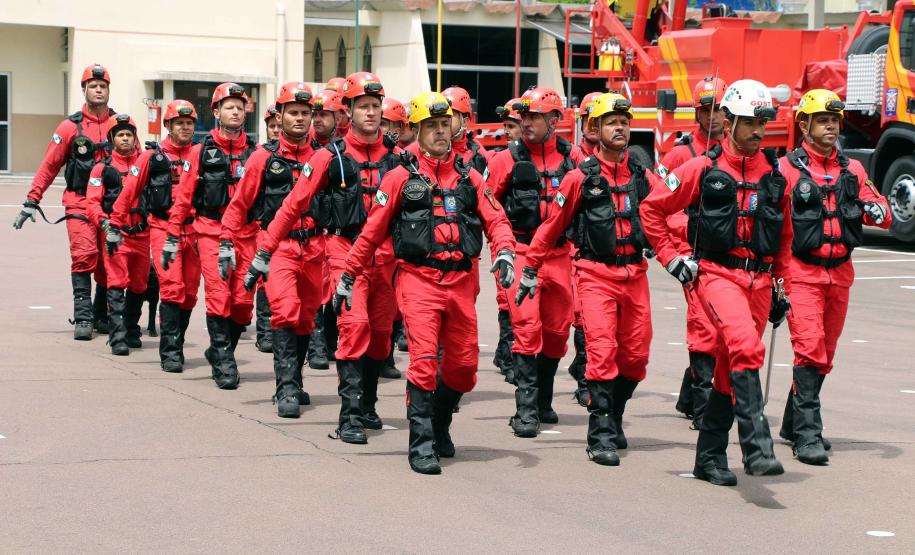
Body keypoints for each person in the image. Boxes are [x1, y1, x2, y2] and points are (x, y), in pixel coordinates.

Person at [336, 91, 516, 474]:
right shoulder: (400, 176)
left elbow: (496, 218)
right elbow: (371, 232)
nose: (439, 132)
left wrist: (504, 251)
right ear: (416, 130)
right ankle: (421, 444)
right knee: (421, 363)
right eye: (430, 126)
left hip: (462, 282)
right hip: (418, 281)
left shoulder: (470, 175)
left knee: (464, 368)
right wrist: (348, 274)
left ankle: (439, 421)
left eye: (443, 125)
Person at [641, 79, 793, 486]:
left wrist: (783, 290)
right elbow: (652, 210)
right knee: (746, 345)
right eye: (750, 121)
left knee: (730, 369)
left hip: (760, 283)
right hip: (716, 275)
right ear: (728, 121)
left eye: (764, 121)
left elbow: (785, 242)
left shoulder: (777, 177)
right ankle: (757, 446)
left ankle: (708, 459)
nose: (758, 130)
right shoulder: (700, 168)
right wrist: (673, 259)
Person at [244, 71, 400, 444]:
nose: (370, 113)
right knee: (354, 328)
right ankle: (348, 416)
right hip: (345, 254)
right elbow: (293, 203)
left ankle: (368, 404)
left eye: (375, 107)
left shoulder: (398, 160)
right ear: (347, 111)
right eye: (362, 106)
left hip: (388, 261)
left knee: (381, 337)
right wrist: (263, 252)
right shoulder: (328, 157)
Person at [519, 93, 656, 466]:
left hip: (636, 275)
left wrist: (685, 253)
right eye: (611, 122)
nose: (620, 128)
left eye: (624, 122)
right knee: (601, 353)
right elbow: (551, 227)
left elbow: (667, 214)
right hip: (594, 275)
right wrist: (529, 268)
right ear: (594, 129)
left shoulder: (643, 177)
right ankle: (600, 434)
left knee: (637, 358)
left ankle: (615, 414)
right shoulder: (579, 179)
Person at [777, 89, 891, 465]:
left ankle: (793, 422)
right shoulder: (787, 169)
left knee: (825, 357)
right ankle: (808, 435)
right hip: (801, 273)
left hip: (840, 274)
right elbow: (770, 221)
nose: (830, 127)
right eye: (823, 120)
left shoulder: (852, 170)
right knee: (809, 350)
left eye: (834, 121)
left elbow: (884, 213)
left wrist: (875, 208)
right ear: (804, 125)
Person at [485, 86, 584, 437]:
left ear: (555, 119)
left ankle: (544, 400)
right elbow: (487, 205)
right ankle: (525, 410)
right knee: (526, 330)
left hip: (563, 256)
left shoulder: (575, 158)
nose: (526, 123)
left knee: (557, 335)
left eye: (535, 116)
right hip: (523, 251)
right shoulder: (504, 160)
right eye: (523, 116)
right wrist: (502, 249)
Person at [222, 82, 321, 417]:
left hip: (316, 247)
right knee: (286, 311)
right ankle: (286, 388)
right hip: (277, 247)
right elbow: (239, 205)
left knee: (307, 317)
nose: (299, 119)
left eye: (305, 114)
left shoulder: (323, 156)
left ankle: (296, 378)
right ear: (279, 116)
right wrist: (226, 241)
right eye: (293, 113)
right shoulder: (262, 158)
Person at [164, 83, 258, 390]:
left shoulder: (256, 153)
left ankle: (220, 349)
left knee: (243, 304)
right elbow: (184, 196)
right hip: (210, 233)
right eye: (228, 107)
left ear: (247, 111)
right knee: (219, 296)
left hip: (247, 234)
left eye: (239, 106)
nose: (234, 111)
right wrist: (172, 234)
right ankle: (223, 360)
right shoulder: (199, 151)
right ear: (216, 112)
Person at [13, 64, 115, 340]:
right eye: (92, 86)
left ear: (108, 90)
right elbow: (49, 165)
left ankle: (101, 313)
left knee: (109, 262)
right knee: (84, 256)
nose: (98, 89)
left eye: (102, 86)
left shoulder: (121, 126)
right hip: (79, 203)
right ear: (84, 90)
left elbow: (136, 166)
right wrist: (31, 201)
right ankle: (83, 317)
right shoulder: (69, 127)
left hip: (111, 207)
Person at [656, 76, 727, 427]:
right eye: (705, 110)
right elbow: (658, 204)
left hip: (726, 254)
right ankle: (702, 407)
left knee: (720, 326)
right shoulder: (680, 154)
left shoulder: (737, 154)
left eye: (718, 110)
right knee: (705, 325)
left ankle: (689, 395)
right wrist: (680, 242)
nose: (712, 117)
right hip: (691, 253)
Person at [111, 99, 200, 373]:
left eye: (189, 123)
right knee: (172, 288)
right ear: (168, 126)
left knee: (190, 293)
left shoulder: (201, 154)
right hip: (163, 229)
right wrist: (114, 224)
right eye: (179, 123)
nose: (185, 128)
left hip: (196, 231)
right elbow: (129, 193)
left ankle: (179, 340)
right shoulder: (152, 157)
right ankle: (170, 351)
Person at [86, 114, 143, 356]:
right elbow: (91, 202)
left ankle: (131, 329)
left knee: (140, 284)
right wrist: (105, 224)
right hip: (115, 234)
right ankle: (117, 335)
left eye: (129, 134)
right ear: (111, 139)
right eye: (120, 134)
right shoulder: (102, 168)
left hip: (142, 233)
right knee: (117, 282)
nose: (125, 138)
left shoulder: (145, 164)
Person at [304, 88, 349, 370]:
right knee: (313, 292)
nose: (318, 120)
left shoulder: (343, 151)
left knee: (333, 290)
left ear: (337, 118)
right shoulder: (304, 147)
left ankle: (330, 340)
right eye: (315, 115)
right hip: (309, 229)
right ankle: (315, 344)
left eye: (324, 115)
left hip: (334, 230)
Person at [254, 103, 281, 354]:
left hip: (287, 231)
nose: (275, 130)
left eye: (277, 126)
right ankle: (264, 331)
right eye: (271, 126)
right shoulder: (260, 155)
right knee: (264, 281)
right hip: (263, 227)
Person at [442, 86, 490, 174]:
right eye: (441, 116)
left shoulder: (478, 154)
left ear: (465, 122)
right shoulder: (429, 147)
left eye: (449, 116)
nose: (443, 121)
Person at [577, 91, 603, 157]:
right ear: (582, 123)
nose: (592, 126)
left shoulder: (617, 159)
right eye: (588, 120)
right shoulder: (572, 158)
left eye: (597, 121)